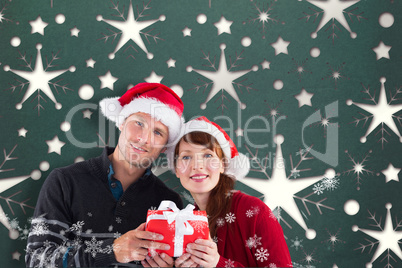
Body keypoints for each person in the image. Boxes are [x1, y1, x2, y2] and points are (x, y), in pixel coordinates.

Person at [26, 83, 184, 267]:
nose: (144, 138)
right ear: (122, 122)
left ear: (165, 147)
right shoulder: (64, 182)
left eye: (157, 132)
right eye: (139, 123)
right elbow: (37, 261)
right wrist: (112, 251)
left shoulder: (168, 202)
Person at [160, 116, 292, 267]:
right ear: (176, 169)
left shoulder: (254, 211)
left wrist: (218, 263)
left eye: (208, 155)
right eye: (186, 157)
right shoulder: (185, 221)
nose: (197, 165)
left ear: (223, 165)